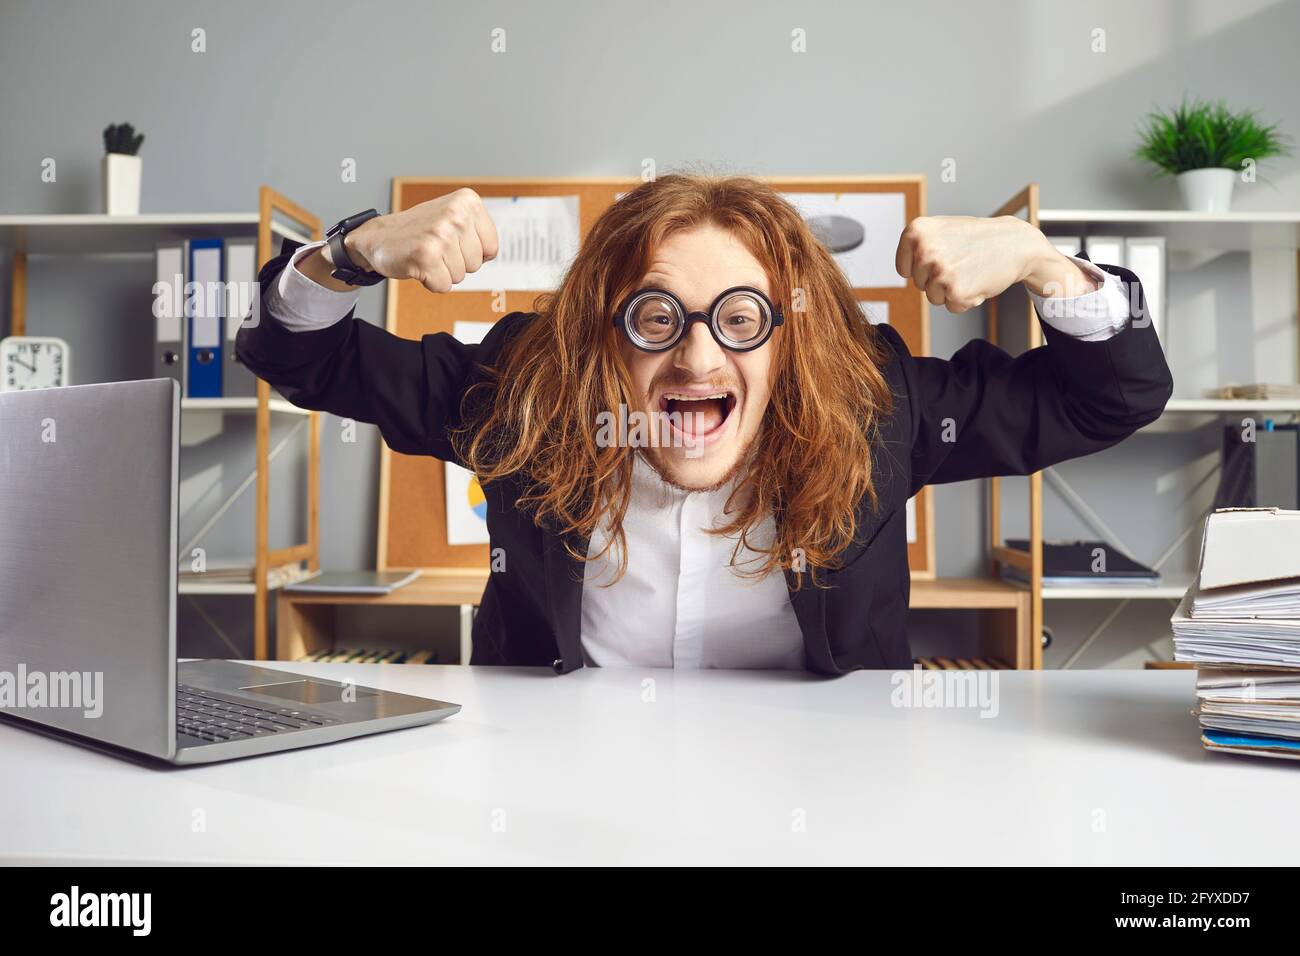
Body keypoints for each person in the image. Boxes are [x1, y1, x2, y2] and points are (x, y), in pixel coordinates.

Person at [236, 175, 1172, 673]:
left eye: (740, 317)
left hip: (826, 793)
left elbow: (1111, 397)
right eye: (656, 316)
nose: (696, 358)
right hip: (553, 788)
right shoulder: (525, 390)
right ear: (604, 330)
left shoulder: (882, 405)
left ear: (789, 334)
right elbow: (298, 352)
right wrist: (350, 253)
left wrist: (1050, 267)